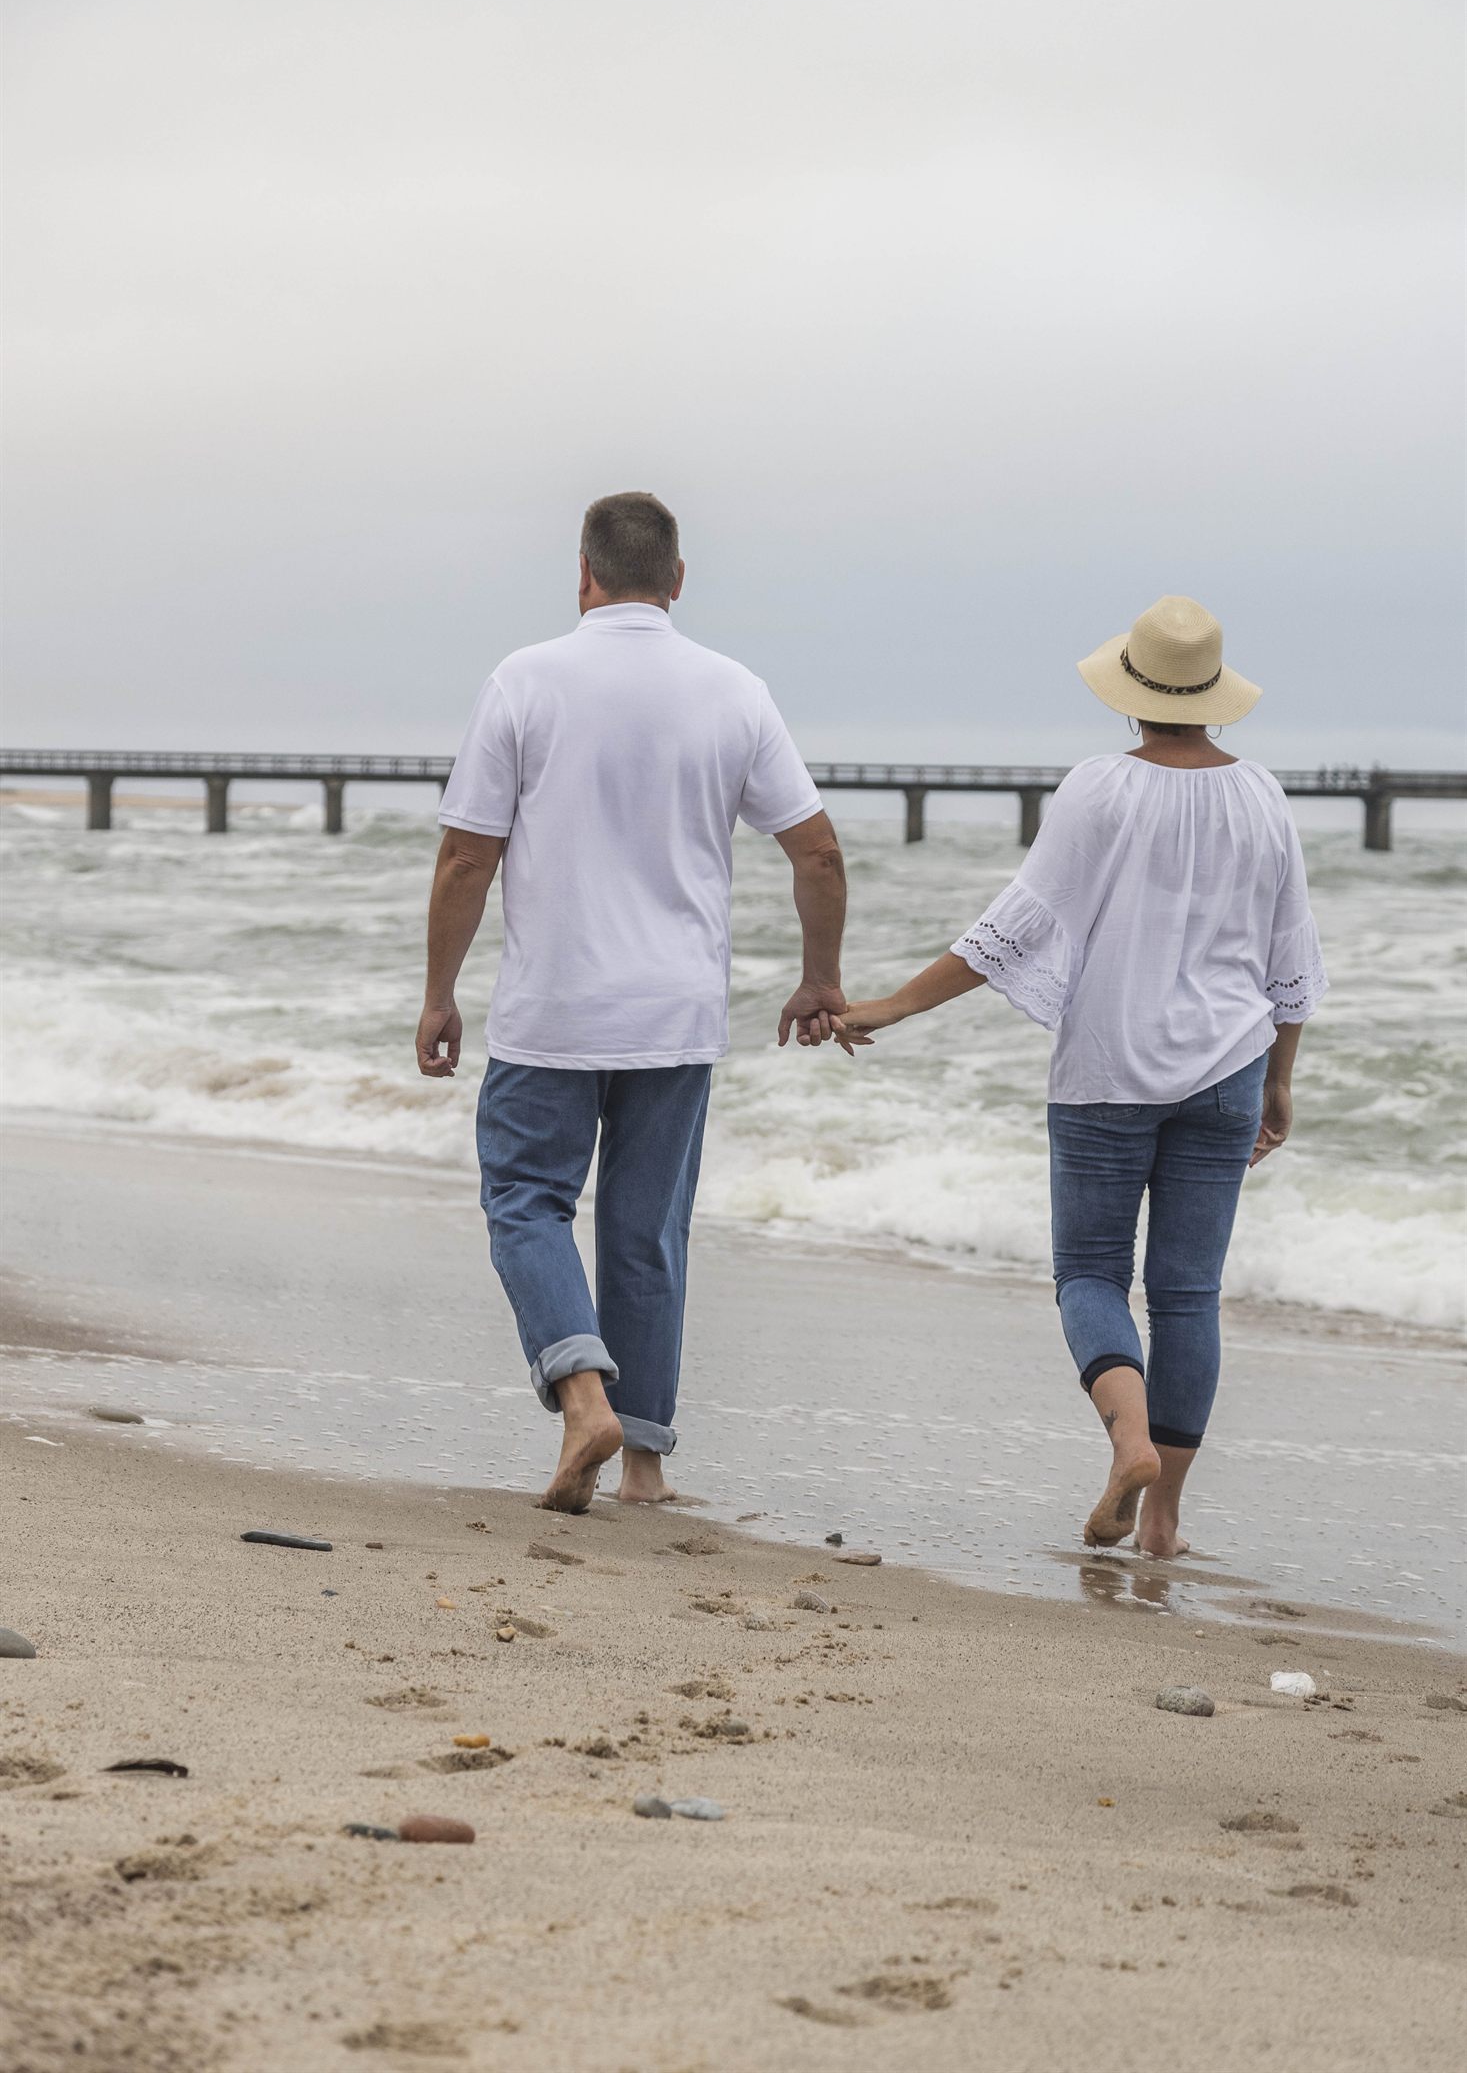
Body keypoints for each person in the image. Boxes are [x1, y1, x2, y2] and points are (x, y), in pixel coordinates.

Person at [833, 596, 1327, 1557]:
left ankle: (1128, 1442)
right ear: (1215, 697)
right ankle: (1166, 1522)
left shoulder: (1099, 788)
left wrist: (892, 1004)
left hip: (1106, 1066)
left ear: (1129, 693)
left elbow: (1017, 923)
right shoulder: (1262, 794)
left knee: (1090, 1273)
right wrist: (1279, 1080)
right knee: (1187, 1295)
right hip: (1229, 1063)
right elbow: (1291, 956)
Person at [416, 492, 846, 1512]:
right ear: (679, 579)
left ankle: (582, 1398)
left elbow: (467, 856)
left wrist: (439, 990)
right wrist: (821, 976)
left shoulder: (525, 682)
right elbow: (817, 849)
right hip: (676, 1013)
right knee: (647, 1232)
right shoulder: (735, 691)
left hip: (553, 1009)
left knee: (525, 1201)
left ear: (583, 573)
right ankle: (644, 1465)